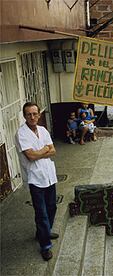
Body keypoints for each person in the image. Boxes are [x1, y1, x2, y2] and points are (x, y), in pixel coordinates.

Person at [15, 102, 58, 261]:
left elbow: (53, 150)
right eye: (29, 114)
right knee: (41, 213)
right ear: (24, 116)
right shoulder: (21, 134)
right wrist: (44, 150)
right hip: (35, 179)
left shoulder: (43, 130)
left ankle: (43, 232)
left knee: (52, 207)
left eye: (35, 114)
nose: (32, 117)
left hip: (49, 175)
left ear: (39, 114)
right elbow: (30, 156)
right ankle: (45, 245)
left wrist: (41, 152)